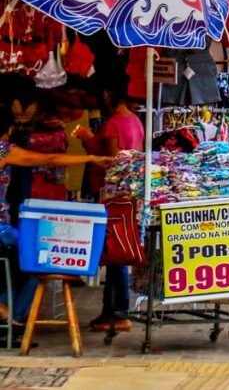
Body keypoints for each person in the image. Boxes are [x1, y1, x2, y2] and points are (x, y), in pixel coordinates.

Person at [0, 109, 114, 333]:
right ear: (10, 130)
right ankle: (9, 313)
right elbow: (51, 159)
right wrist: (90, 158)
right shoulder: (4, 150)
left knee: (25, 257)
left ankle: (7, 310)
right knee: (40, 256)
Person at [75, 88, 144, 333]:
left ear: (108, 95)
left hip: (112, 195)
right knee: (117, 251)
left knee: (115, 253)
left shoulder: (114, 123)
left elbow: (114, 162)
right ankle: (110, 310)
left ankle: (119, 312)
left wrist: (86, 140)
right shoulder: (135, 121)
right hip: (127, 194)